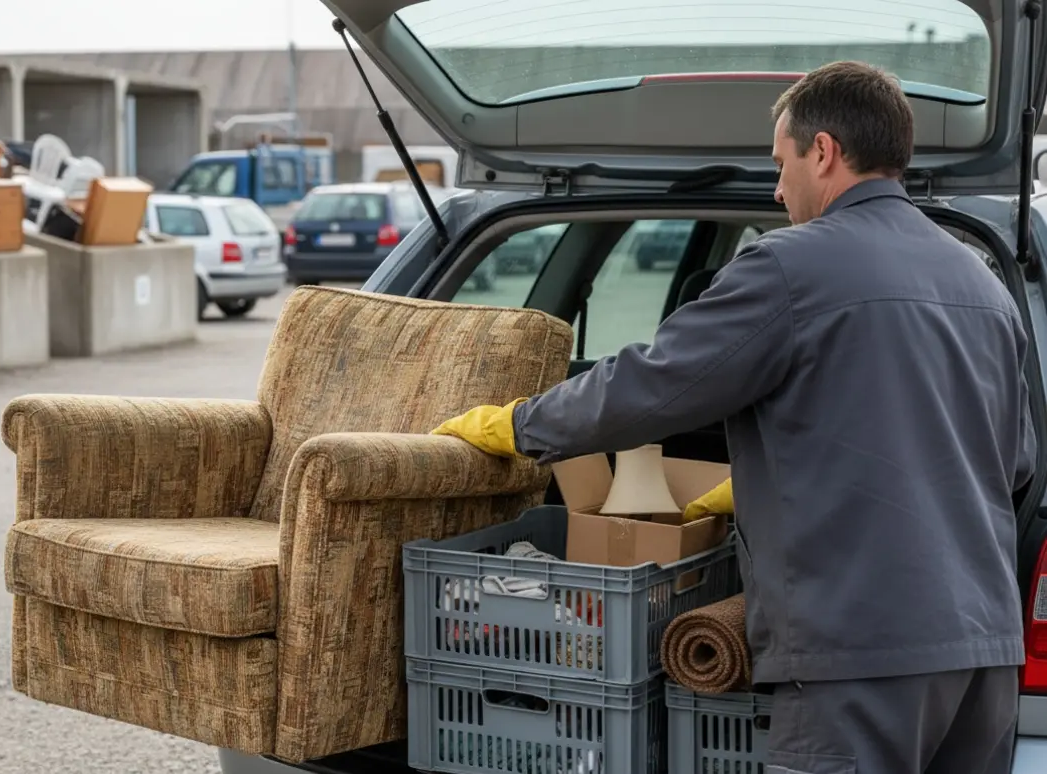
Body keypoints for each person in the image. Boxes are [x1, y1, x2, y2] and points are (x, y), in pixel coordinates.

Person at [432, 61, 1037, 773]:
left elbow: (652, 384)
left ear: (823, 151)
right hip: (986, 657)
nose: (777, 189)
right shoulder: (981, 283)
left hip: (856, 654)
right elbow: (1016, 462)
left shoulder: (790, 266)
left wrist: (522, 425)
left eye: (781, 163)